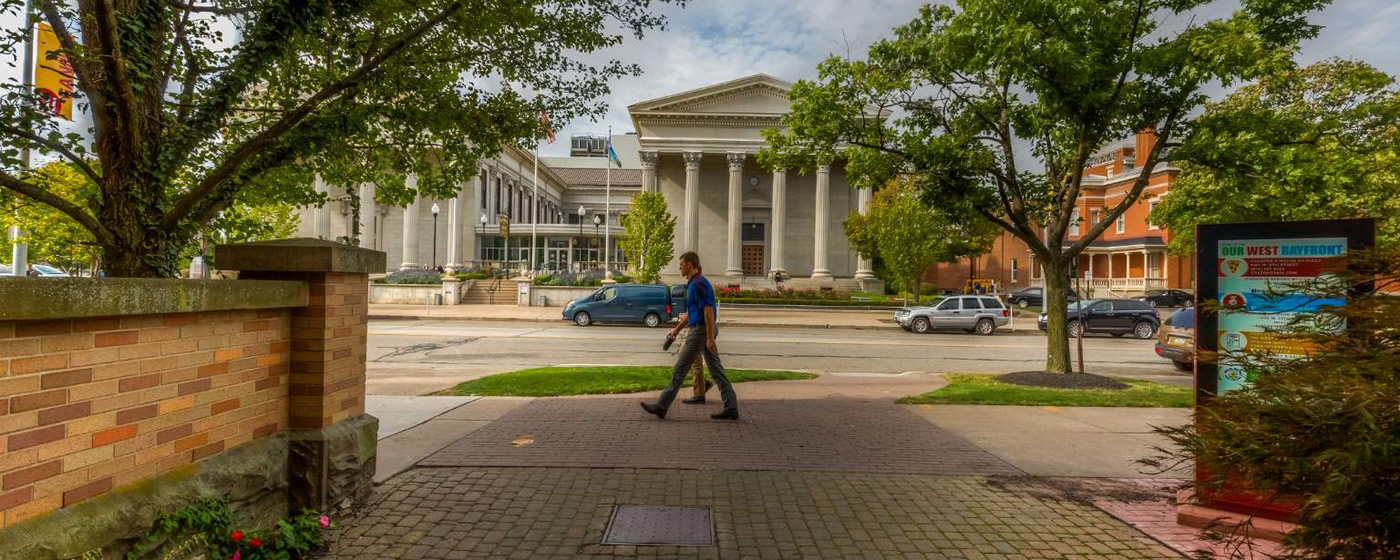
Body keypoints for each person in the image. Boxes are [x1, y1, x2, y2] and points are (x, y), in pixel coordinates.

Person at [641, 252, 738, 420]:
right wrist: (676, 331)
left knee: (680, 369)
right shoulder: (694, 283)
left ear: (691, 265)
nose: (679, 267)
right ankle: (731, 407)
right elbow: (691, 313)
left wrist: (709, 338)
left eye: (682, 264)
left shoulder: (698, 284)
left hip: (700, 331)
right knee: (716, 370)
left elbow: (707, 310)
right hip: (702, 329)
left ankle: (661, 406)